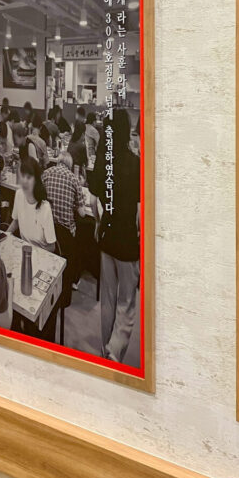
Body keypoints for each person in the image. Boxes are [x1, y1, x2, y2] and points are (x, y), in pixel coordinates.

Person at [92, 109, 141, 364]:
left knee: (108, 300)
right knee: (127, 303)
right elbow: (141, 210)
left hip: (106, 237)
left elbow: (94, 201)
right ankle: (114, 352)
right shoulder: (135, 164)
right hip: (128, 242)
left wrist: (98, 223)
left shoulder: (103, 162)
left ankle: (105, 348)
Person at [42, 152, 84, 304]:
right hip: (65, 233)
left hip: (47, 229)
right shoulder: (74, 179)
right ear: (70, 165)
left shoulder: (46, 173)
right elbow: (82, 213)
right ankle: (72, 283)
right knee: (82, 238)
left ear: (58, 161)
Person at [4, 154, 56, 251]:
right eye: (22, 176)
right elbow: (16, 221)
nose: (24, 181)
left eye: (28, 177)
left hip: (40, 252)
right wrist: (4, 236)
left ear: (36, 180)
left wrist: (34, 253)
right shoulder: (19, 194)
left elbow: (52, 247)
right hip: (24, 249)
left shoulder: (45, 207)